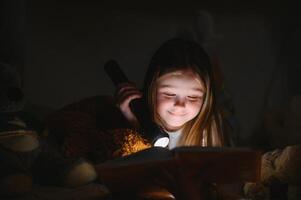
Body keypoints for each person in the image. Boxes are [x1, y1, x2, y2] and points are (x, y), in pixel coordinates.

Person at [115, 38, 229, 149]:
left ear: (205, 97)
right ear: (152, 89)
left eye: (193, 97)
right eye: (169, 94)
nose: (180, 104)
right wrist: (133, 120)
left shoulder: (208, 128)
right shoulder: (130, 120)